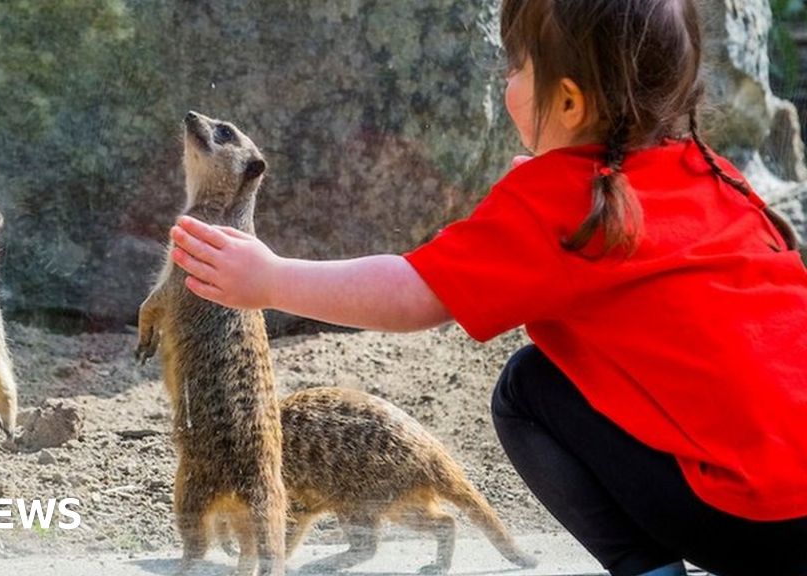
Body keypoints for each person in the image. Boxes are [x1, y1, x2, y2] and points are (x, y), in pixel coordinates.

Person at [163, 1, 807, 575]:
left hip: (746, 518)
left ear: (571, 102)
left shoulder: (561, 204)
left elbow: (415, 291)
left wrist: (273, 278)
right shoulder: (717, 176)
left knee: (528, 388)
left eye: (517, 67)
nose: (506, 82)